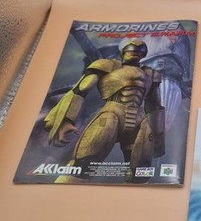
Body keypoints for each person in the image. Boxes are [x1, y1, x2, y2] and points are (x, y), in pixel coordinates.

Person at [44, 38, 165, 183]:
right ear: (123, 51)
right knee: (83, 165)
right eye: (131, 48)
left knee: (141, 173)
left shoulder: (150, 74)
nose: (135, 52)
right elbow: (81, 89)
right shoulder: (108, 65)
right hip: (111, 115)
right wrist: (67, 119)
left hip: (139, 121)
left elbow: (155, 105)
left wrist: (159, 138)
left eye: (141, 50)